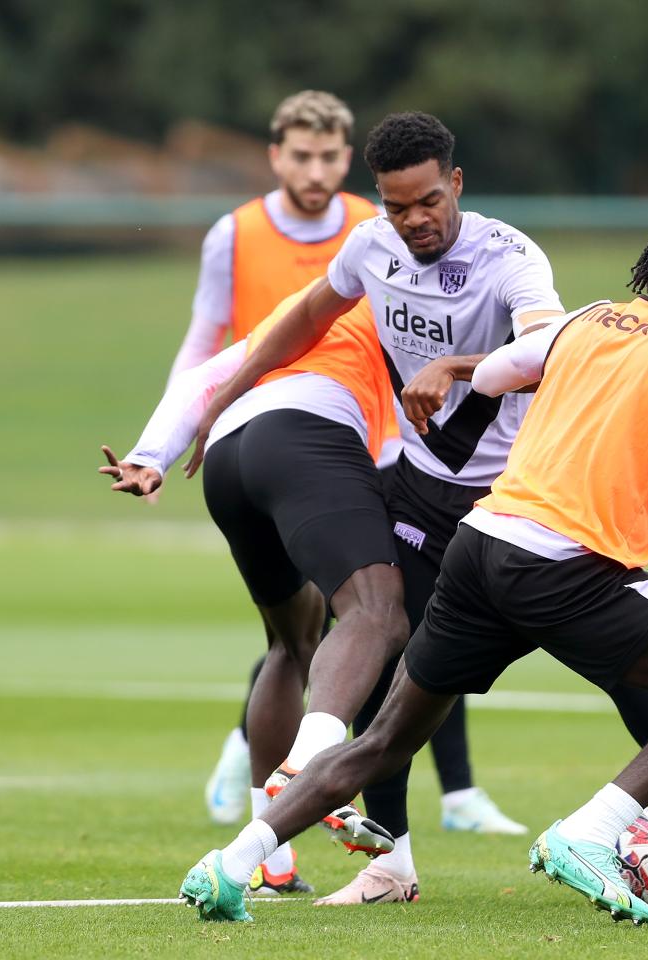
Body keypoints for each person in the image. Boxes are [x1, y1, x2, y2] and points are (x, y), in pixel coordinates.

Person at [177, 214, 648, 925]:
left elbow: (499, 373)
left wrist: (451, 367)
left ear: (646, 270)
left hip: (478, 544)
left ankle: (229, 863)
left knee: (384, 739)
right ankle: (589, 833)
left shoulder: (587, 320)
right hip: (567, 564)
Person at [167, 91, 519, 847]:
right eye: (400, 208)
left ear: (455, 184)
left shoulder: (443, 240)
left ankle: (277, 831)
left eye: (428, 200)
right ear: (275, 156)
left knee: (305, 640)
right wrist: (194, 414)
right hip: (317, 443)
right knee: (384, 618)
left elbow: (551, 349)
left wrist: (191, 425)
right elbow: (255, 330)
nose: (415, 218)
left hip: (256, 446)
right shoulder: (273, 236)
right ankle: (312, 764)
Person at [102, 288, 407, 898]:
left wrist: (149, 454)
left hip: (229, 456)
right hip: (305, 440)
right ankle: (309, 765)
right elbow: (411, 441)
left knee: (289, 644)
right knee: (376, 613)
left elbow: (204, 377)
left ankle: (273, 860)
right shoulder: (410, 308)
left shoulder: (306, 308)